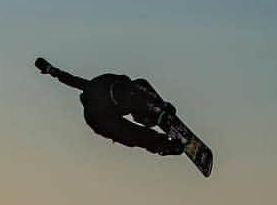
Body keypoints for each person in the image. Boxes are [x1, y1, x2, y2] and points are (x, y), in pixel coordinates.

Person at [35, 57, 185, 156]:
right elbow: (71, 80)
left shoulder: (122, 83)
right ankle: (163, 146)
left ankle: (150, 114)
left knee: (140, 84)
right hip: (101, 120)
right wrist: (51, 70)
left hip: (122, 96)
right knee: (132, 135)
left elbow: (141, 89)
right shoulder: (94, 93)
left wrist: (161, 105)